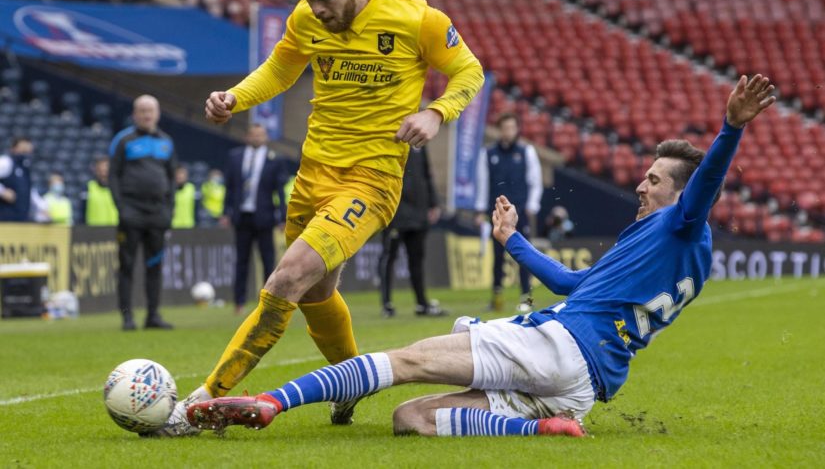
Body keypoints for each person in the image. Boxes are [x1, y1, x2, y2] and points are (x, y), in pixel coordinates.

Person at [185, 75, 775, 438]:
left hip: (561, 348)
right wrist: (512, 242)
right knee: (409, 418)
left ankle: (268, 402)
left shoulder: (684, 223)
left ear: (679, 192)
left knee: (407, 359)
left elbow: (705, 184)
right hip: (581, 388)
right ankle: (540, 428)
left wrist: (730, 128)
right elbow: (573, 285)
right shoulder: (661, 245)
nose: (642, 186)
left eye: (653, 179)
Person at [151, 0, 484, 437]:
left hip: (370, 180)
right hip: (312, 175)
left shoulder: (417, 18)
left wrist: (437, 113)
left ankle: (203, 402)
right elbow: (279, 70)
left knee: (286, 279)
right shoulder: (307, 17)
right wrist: (234, 98)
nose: (318, 10)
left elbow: (469, 70)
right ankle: (351, 383)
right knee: (314, 293)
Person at [109, 95, 176, 331]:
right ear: (135, 114)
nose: (147, 115)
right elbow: (113, 176)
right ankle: (127, 318)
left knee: (154, 267)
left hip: (157, 214)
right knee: (126, 266)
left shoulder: (167, 142)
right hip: (131, 213)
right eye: (142, 111)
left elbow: (171, 179)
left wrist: (169, 212)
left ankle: (153, 316)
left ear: (157, 114)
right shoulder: (123, 140)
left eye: (150, 111)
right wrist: (121, 208)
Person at [474, 113, 542, 313]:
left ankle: (526, 298)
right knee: (497, 256)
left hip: (519, 210)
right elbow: (482, 183)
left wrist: (532, 205)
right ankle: (496, 297)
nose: (508, 132)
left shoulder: (526, 152)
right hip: (497, 212)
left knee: (524, 254)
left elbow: (535, 181)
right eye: (505, 128)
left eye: (512, 127)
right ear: (499, 129)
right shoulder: (488, 154)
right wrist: (480, 210)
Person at [223, 124, 289, 315]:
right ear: (247, 136)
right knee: (241, 260)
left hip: (264, 216)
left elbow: (280, 191)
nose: (256, 138)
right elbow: (230, 187)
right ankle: (239, 302)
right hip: (241, 215)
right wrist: (226, 212)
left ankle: (269, 301)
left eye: (260, 135)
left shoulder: (275, 159)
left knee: (267, 259)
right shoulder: (235, 157)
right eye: (253, 134)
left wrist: (282, 217)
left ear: (266, 137)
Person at [378, 145, 444, 318]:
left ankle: (422, 303)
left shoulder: (418, 141)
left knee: (417, 260)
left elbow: (426, 172)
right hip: (396, 211)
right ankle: (387, 304)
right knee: (388, 257)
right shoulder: (389, 133)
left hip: (418, 211)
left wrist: (433, 202)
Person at [0, 136, 34, 223]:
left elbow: (30, 191)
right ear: (14, 148)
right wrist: (3, 191)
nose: (25, 152)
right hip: (4, 218)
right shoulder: (6, 161)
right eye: (22, 149)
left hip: (21, 218)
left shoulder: (25, 167)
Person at [82, 156, 119, 226]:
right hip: (93, 232)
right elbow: (82, 211)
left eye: (106, 170)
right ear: (96, 170)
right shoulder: (88, 187)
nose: (103, 173)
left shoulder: (118, 188)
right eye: (100, 170)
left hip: (114, 230)